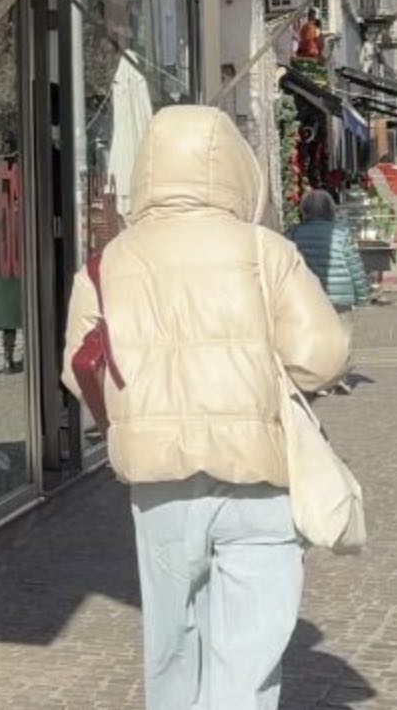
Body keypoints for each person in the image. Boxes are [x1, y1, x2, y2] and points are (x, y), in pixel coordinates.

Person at [63, 106, 349, 710]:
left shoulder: (105, 265)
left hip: (158, 477)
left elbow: (76, 370)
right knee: (249, 646)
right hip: (258, 471)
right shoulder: (265, 251)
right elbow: (322, 356)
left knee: (171, 632)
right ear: (237, 172)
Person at [288, 188, 370, 393]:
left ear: (304, 209)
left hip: (308, 296)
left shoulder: (294, 233)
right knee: (342, 338)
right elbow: (355, 266)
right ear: (331, 209)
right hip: (341, 295)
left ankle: (318, 380)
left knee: (314, 337)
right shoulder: (341, 233)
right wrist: (362, 295)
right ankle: (338, 376)